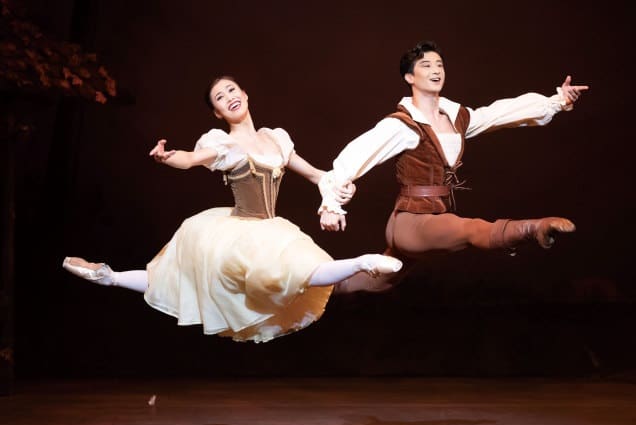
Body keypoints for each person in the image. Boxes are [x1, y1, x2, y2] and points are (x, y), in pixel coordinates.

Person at [63, 75, 402, 343]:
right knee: (173, 278)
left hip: (272, 230)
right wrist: (169, 158)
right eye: (220, 98)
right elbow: (191, 159)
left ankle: (111, 278)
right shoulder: (222, 143)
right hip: (237, 233)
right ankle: (364, 262)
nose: (229, 98)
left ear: (245, 94)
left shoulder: (276, 139)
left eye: (231, 90)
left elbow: (316, 175)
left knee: (307, 275)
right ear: (217, 112)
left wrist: (340, 185)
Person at [317, 41, 589, 293]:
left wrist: (556, 101)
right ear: (410, 77)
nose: (436, 70)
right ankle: (533, 229)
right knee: (469, 230)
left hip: (435, 216)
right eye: (426, 65)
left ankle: (313, 289)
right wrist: (331, 204)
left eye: (439, 65)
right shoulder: (402, 125)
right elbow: (357, 154)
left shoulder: (458, 118)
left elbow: (499, 113)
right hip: (409, 222)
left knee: (377, 281)